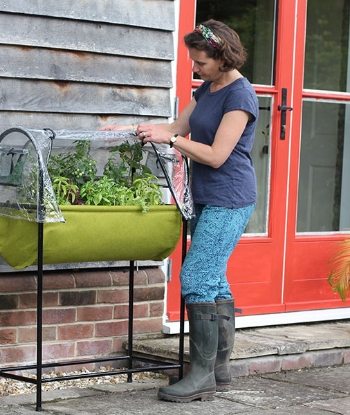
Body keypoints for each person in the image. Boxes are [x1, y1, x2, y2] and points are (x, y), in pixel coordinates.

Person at [101, 18, 258, 403]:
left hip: (231, 195)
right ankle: (218, 369)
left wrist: (170, 139)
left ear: (222, 57)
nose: (195, 68)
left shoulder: (241, 96)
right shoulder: (208, 88)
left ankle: (201, 374)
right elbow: (175, 126)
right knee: (213, 279)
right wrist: (134, 129)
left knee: (197, 277)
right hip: (205, 195)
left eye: (200, 62)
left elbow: (217, 156)